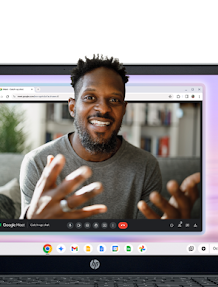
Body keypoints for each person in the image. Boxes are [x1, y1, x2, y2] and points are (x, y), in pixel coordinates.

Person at [19, 54, 200, 220]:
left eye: (114, 100)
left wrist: (171, 234)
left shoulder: (146, 166)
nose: (104, 109)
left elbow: (143, 244)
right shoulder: (38, 163)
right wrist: (31, 226)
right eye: (90, 97)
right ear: (72, 108)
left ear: (124, 109)